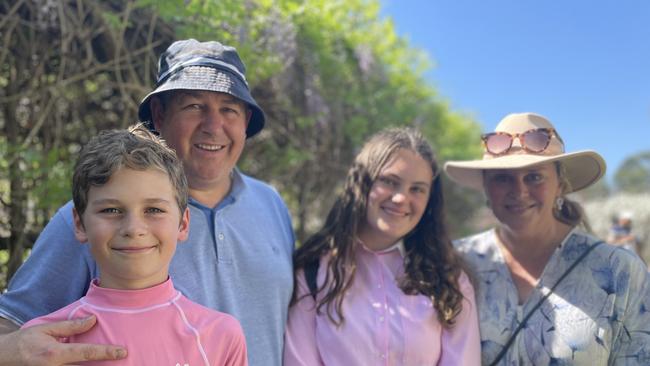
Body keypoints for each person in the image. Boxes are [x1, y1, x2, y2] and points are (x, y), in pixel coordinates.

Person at [0, 39, 294, 366]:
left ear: (245, 121)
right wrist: (13, 352)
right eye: (194, 106)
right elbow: (11, 323)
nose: (213, 126)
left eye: (229, 109)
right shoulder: (96, 216)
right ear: (159, 114)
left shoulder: (271, 204)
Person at [22, 124, 247, 365]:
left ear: (182, 224)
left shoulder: (219, 335)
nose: (133, 229)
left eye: (153, 210)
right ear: (79, 224)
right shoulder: (45, 343)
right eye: (111, 210)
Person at [444, 112, 650, 365]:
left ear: (560, 185)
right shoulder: (457, 263)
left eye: (534, 176)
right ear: (486, 188)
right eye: (502, 178)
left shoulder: (619, 270)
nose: (519, 191)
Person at [284, 128, 480, 365]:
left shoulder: (451, 282)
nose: (400, 198)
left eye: (417, 189)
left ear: (429, 200)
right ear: (363, 183)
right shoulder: (312, 272)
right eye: (389, 181)